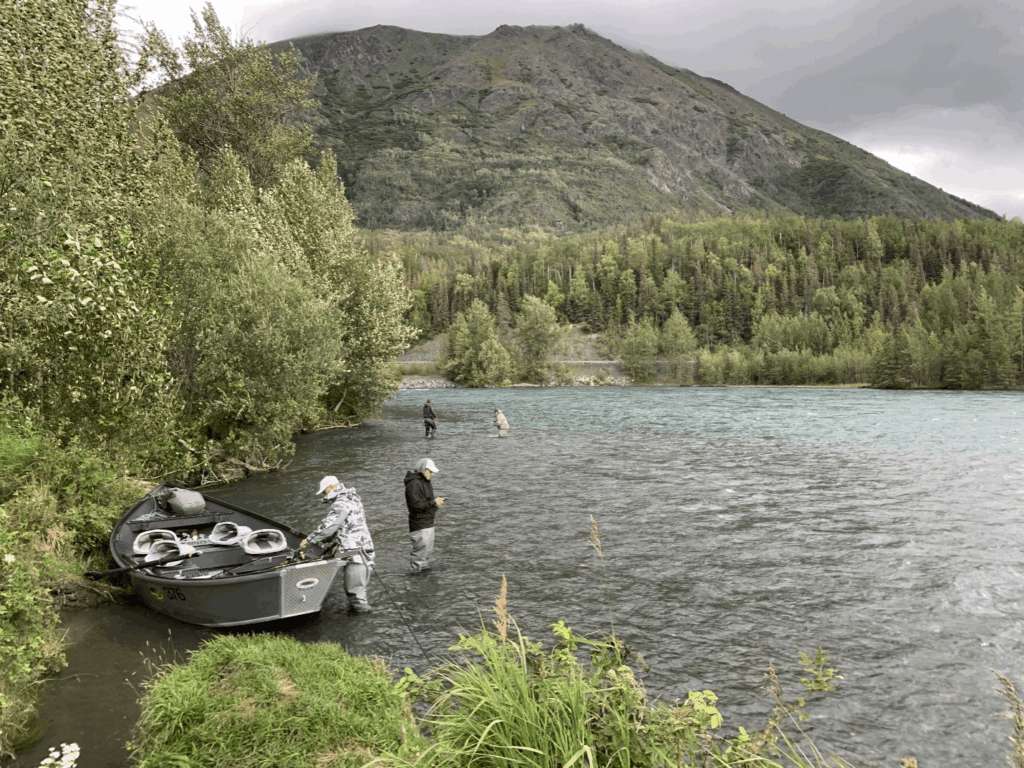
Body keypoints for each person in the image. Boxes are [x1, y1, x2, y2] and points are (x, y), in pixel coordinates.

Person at [301, 475, 376, 614]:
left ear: (331, 488)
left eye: (325, 492)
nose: (325, 495)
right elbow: (346, 526)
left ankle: (361, 622)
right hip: (363, 549)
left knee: (355, 594)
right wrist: (333, 542)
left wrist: (310, 539)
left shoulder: (341, 503)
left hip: (355, 552)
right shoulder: (352, 497)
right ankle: (358, 616)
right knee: (357, 589)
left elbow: (330, 525)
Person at [404, 458, 444, 572]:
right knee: (420, 555)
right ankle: (416, 580)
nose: (432, 474)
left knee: (426, 554)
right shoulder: (413, 484)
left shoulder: (424, 482)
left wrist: (435, 504)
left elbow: (424, 503)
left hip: (427, 522)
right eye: (430, 472)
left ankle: (423, 579)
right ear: (423, 470)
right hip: (420, 524)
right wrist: (434, 503)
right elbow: (416, 505)